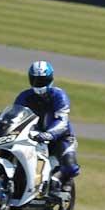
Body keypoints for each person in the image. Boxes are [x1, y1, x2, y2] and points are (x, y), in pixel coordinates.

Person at [14, 60, 80, 191]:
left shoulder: (59, 95)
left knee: (71, 166)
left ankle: (60, 181)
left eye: (43, 80)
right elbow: (16, 116)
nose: (39, 84)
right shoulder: (25, 96)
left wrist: (50, 134)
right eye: (36, 80)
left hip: (61, 138)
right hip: (33, 137)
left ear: (50, 79)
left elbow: (62, 121)